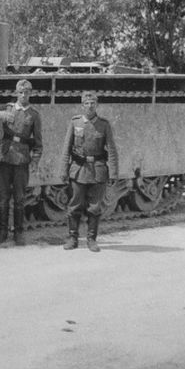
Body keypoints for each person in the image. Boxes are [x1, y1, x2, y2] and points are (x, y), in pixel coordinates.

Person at [0, 79, 43, 246]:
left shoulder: (34, 115)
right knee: (2, 197)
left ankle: (19, 233)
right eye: (21, 92)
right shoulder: (8, 109)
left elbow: (38, 142)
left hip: (22, 159)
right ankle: (2, 232)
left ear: (30, 94)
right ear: (16, 93)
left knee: (20, 198)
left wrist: (36, 160)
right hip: (5, 157)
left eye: (27, 92)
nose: (24, 95)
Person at [59, 91, 119, 252]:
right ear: (82, 105)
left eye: (93, 103)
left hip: (98, 170)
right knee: (74, 205)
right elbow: (66, 148)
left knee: (94, 207)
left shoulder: (104, 125)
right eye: (87, 103)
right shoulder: (75, 123)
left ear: (96, 105)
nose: (90, 106)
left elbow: (112, 150)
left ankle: (91, 239)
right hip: (78, 170)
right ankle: (72, 238)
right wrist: (63, 170)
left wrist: (113, 173)